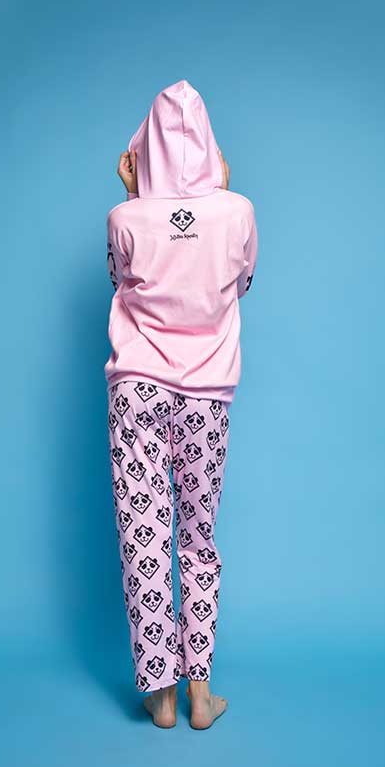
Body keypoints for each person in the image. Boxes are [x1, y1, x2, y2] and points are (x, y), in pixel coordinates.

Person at [104, 78, 258, 729]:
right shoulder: (238, 211)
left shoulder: (125, 218)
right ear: (209, 146)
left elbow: (124, 279)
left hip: (137, 388)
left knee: (144, 534)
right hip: (207, 395)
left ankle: (160, 695)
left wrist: (135, 197)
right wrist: (218, 189)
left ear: (144, 148)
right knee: (198, 536)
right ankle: (201, 695)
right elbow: (240, 282)